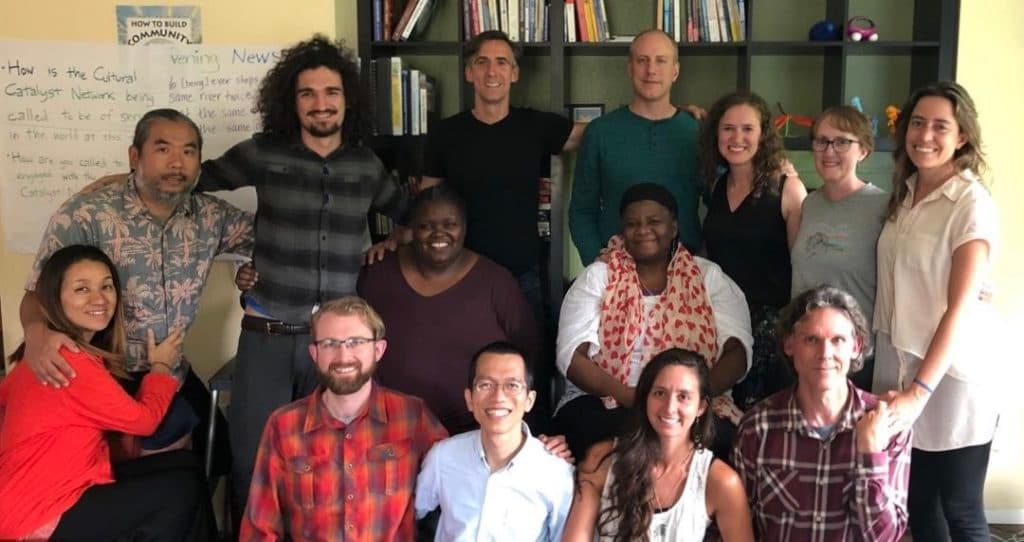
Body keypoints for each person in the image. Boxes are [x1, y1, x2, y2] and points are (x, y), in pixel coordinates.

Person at [178, 34, 409, 518]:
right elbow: (188, 183)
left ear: (348, 100)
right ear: (291, 101)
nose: (320, 104)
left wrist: (392, 240)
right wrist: (230, 251)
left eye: (331, 93)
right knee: (254, 460)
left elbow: (411, 213)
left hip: (335, 346)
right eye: (308, 94)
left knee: (327, 462)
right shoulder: (262, 153)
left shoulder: (365, 166)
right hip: (267, 336)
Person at [18, 108, 253, 460]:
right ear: (134, 156)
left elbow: (276, 240)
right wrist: (36, 335)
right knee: (121, 480)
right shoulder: (87, 215)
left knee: (216, 456)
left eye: (188, 151)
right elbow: (38, 292)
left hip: (169, 370)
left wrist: (253, 269)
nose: (177, 162)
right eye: (163, 149)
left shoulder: (211, 217)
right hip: (101, 374)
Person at [0, 245, 215, 541]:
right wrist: (161, 366)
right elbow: (145, 422)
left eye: (106, 286)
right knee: (179, 492)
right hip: (40, 514)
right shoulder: (70, 360)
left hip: (61, 488)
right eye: (81, 289)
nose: (99, 299)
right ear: (54, 298)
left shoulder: (40, 354)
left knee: (186, 467)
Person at [873, 81, 999, 542]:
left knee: (961, 511)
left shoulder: (970, 204)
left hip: (949, 380)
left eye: (940, 126)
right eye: (917, 123)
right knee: (917, 506)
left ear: (962, 136)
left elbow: (960, 308)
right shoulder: (904, 196)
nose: (925, 135)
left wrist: (919, 392)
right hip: (899, 368)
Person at [555, 182, 752, 461]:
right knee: (596, 435)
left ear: (673, 227)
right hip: (611, 400)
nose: (643, 230)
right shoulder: (598, 277)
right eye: (632, 223)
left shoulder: (709, 278)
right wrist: (631, 397)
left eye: (654, 221)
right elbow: (571, 357)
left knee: (720, 439)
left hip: (693, 400)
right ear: (622, 230)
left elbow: (738, 351)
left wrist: (692, 397)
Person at [241, 296, 447, 541]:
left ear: (378, 350)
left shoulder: (413, 417)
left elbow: (460, 485)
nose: (343, 355)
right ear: (314, 353)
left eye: (356, 342)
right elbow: (260, 528)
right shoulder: (283, 425)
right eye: (330, 343)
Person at [418, 30, 584, 321]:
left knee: (528, 362)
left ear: (515, 73)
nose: (492, 71)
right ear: (470, 72)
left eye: (502, 62)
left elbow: (596, 136)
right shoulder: (445, 134)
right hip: (461, 272)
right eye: (482, 62)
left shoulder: (535, 125)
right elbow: (426, 204)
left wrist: (668, 112)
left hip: (523, 275)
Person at [733, 286, 911, 541]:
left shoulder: (890, 426)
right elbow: (737, 525)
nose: (825, 354)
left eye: (838, 340)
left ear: (856, 347)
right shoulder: (757, 428)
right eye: (811, 340)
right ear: (789, 345)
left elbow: (884, 537)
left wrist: (871, 455)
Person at [358, 185, 540, 435]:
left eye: (450, 224)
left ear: (464, 228)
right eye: (426, 226)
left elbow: (527, 351)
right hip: (391, 427)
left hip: (475, 431)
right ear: (411, 229)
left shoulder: (496, 282)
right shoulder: (378, 273)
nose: (438, 234)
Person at [562, 348, 753, 542]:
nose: (670, 407)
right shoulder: (602, 461)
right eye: (660, 393)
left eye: (683, 396)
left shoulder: (721, 482)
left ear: (701, 407)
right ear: (645, 398)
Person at [700, 90, 807, 410]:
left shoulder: (787, 187)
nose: (737, 137)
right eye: (728, 128)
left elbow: (801, 270)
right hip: (723, 324)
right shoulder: (717, 188)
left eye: (747, 129)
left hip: (770, 334)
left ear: (763, 135)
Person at [414, 342, 574, 541]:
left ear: (529, 400)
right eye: (486, 385)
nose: (498, 396)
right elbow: (406, 515)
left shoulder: (556, 472)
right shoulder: (442, 457)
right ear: (469, 399)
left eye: (512, 386)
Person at [569, 29, 704, 264]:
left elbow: (725, 200)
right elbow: (582, 209)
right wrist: (596, 260)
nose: (651, 70)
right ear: (629, 67)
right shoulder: (600, 131)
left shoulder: (698, 133)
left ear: (675, 71)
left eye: (661, 61)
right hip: (616, 271)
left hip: (685, 270)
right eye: (642, 60)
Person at [790, 105, 889, 391]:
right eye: (821, 141)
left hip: (853, 358)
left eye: (842, 141)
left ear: (864, 150)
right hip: (807, 354)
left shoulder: (884, 207)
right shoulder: (809, 204)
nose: (829, 150)